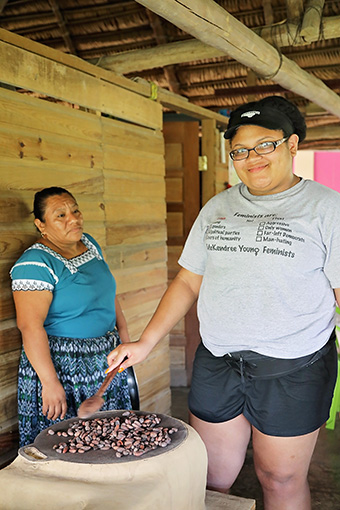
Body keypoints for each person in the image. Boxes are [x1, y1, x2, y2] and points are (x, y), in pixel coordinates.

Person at [106, 96, 339, 510]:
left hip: (294, 366)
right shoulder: (218, 207)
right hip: (219, 361)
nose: (252, 158)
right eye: (240, 150)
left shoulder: (326, 208)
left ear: (291, 145)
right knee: (211, 477)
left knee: (279, 478)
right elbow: (188, 281)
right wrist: (145, 343)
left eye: (265, 145)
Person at [10, 187, 132, 447]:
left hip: (106, 357)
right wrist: (50, 382)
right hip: (62, 365)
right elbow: (30, 327)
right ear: (40, 225)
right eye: (61, 215)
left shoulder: (89, 243)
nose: (74, 219)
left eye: (75, 210)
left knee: (111, 442)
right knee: (66, 445)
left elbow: (108, 294)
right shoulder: (34, 264)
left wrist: (125, 340)